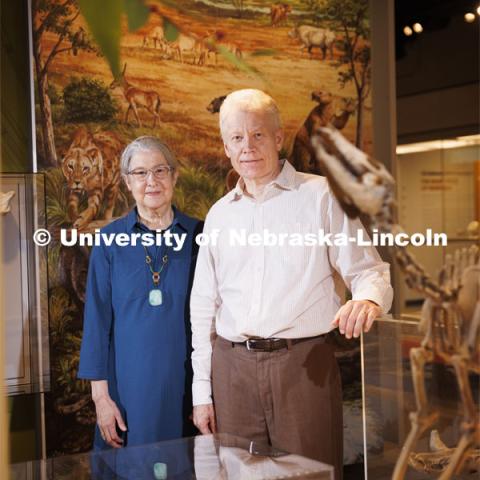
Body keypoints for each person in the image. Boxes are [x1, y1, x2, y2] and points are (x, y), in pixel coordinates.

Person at [189, 89, 393, 479]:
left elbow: (370, 272)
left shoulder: (322, 196)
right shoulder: (218, 216)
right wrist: (203, 392)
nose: (247, 147)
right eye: (236, 138)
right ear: (225, 146)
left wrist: (368, 300)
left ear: (279, 138)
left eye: (258, 135)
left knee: (311, 475)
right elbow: (203, 308)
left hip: (304, 368)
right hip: (232, 372)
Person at [78, 136, 201, 449]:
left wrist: (208, 395)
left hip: (188, 392)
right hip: (126, 393)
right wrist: (101, 399)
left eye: (160, 170)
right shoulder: (108, 241)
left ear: (174, 176)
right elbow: (96, 324)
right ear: (126, 182)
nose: (151, 181)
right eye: (140, 173)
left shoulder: (201, 236)